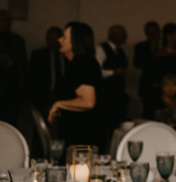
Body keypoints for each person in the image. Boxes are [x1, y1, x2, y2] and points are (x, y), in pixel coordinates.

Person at [49, 22, 105, 153]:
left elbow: (88, 102)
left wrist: (59, 104)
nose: (59, 39)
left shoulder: (83, 63)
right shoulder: (76, 63)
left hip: (84, 137)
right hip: (76, 134)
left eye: (64, 37)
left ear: (76, 41)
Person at [96, 24, 130, 131]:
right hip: (106, 93)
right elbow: (97, 70)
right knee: (108, 122)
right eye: (124, 35)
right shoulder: (101, 49)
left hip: (118, 93)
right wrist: (113, 72)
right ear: (116, 36)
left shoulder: (120, 51)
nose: (126, 37)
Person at [28, 26, 65, 116]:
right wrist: (34, 98)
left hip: (63, 97)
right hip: (43, 97)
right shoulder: (39, 55)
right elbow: (31, 77)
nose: (50, 41)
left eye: (53, 38)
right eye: (48, 38)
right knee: (41, 125)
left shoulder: (66, 56)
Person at [0, 9, 27, 124]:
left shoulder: (18, 40)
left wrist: (22, 88)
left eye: (9, 21)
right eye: (4, 20)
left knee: (11, 123)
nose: (7, 23)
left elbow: (23, 65)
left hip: (13, 90)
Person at [133, 21, 161, 118]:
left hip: (165, 85)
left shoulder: (168, 46)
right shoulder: (141, 47)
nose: (152, 35)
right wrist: (152, 50)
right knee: (149, 113)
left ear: (159, 31)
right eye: (149, 33)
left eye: (154, 32)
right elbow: (137, 63)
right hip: (147, 86)